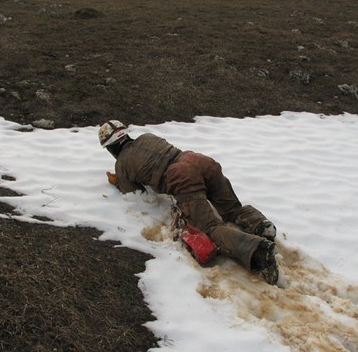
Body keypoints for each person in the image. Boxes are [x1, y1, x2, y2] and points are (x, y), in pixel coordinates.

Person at [99, 120, 279, 284]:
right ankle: (261, 224)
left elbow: (135, 194)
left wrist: (118, 182)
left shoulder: (121, 164)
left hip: (180, 175)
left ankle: (258, 251)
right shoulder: (147, 136)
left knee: (209, 227)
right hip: (198, 160)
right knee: (232, 209)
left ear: (111, 147)